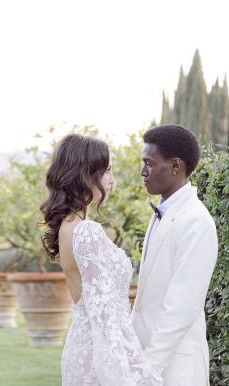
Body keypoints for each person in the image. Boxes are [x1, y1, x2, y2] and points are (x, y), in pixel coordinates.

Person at [40, 134, 163, 386]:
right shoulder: (87, 232)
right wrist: (132, 374)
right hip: (99, 355)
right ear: (84, 174)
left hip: (83, 347)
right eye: (106, 171)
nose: (113, 181)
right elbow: (105, 317)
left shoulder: (69, 225)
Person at [131, 125, 218, 386]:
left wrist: (148, 369)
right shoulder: (162, 211)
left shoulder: (197, 221)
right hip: (144, 356)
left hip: (175, 367)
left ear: (175, 166)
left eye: (149, 163)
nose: (143, 171)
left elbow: (182, 306)